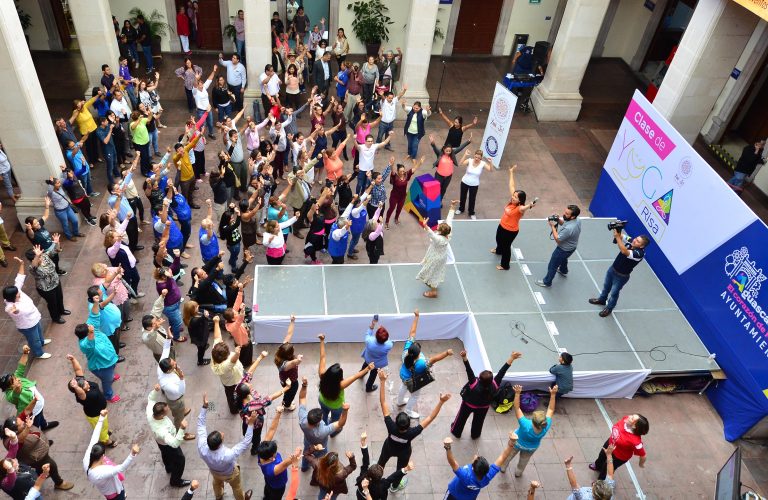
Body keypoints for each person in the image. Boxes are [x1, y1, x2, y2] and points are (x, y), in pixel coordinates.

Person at [377, 370, 448, 472]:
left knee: (380, 463)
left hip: (388, 448)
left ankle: (376, 475)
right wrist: (441, 402)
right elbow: (430, 418)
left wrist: (382, 381)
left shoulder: (390, 426)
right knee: (401, 471)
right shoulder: (412, 432)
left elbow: (383, 402)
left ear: (395, 422)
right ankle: (395, 485)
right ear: (409, 424)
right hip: (404, 452)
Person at [197, 392, 258, 500]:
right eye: (221, 435)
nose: (223, 433)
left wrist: (205, 407)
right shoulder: (228, 455)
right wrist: (251, 423)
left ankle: (219, 496)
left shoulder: (202, 448)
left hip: (214, 471)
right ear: (220, 443)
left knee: (216, 483)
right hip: (230, 474)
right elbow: (246, 442)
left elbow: (200, 424)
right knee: (237, 487)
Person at [451, 350, 521, 439]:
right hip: (483, 407)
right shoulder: (495, 385)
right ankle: (475, 435)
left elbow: (468, 369)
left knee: (461, 418)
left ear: (479, 378)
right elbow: (502, 372)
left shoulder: (474, 383)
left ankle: (456, 432)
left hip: (468, 405)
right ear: (491, 380)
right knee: (478, 422)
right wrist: (512, 358)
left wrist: (464, 357)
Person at [396, 309, 453, 418]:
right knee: (415, 396)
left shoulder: (406, 351)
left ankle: (400, 401)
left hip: (403, 375)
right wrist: (446, 353)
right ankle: (408, 410)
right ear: (418, 354)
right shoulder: (421, 364)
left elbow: (412, 333)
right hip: (412, 380)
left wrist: (416, 317)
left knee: (403, 386)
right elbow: (434, 359)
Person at [233, 353, 290, 455]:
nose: (250, 383)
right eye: (249, 386)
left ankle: (247, 439)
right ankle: (254, 448)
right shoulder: (253, 405)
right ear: (248, 394)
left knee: (246, 430)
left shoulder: (238, 388)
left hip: (246, 421)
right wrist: (285, 389)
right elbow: (270, 398)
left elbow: (249, 373)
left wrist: (260, 358)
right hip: (256, 423)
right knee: (256, 436)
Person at [318, 333, 373, 432]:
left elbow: (322, 357)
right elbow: (356, 376)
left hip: (322, 400)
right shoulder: (340, 385)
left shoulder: (322, 375)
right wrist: (368, 368)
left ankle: (323, 425)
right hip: (336, 406)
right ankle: (333, 432)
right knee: (336, 420)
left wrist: (322, 341)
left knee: (323, 415)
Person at [588, 229, 649, 317]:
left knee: (614, 293)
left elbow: (624, 251)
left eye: (638, 241)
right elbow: (622, 236)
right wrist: (618, 230)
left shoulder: (639, 254)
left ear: (642, 246)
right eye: (636, 238)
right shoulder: (632, 241)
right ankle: (602, 299)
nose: (635, 240)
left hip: (621, 277)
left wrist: (617, 237)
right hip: (612, 269)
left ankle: (609, 308)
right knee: (606, 287)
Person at [501, 384, 559, 476]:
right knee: (524, 460)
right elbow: (551, 409)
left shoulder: (525, 424)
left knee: (509, 455)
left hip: (517, 443)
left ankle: (503, 467)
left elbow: (517, 408)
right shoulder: (546, 426)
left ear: (533, 421)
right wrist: (553, 395)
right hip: (531, 448)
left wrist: (517, 393)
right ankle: (518, 472)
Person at [442, 432, 518, 500]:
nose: (475, 456)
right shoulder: (487, 476)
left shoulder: (466, 476)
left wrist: (447, 447)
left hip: (453, 494)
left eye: (476, 459)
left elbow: (452, 463)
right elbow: (502, 457)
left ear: (473, 467)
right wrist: (511, 443)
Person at [83, 410, 140, 498]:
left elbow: (95, 435)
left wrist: (101, 418)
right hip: (115, 494)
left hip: (110, 490)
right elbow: (121, 468)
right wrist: (132, 454)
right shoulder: (101, 472)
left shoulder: (87, 457)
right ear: (102, 456)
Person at [298, 376, 350, 471]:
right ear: (318, 422)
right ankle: (318, 470)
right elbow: (340, 424)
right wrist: (345, 411)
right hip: (321, 447)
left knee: (306, 453)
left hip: (308, 441)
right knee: (321, 459)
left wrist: (304, 385)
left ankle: (304, 467)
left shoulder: (303, 419)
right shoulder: (323, 431)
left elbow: (302, 397)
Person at [0, 345, 57, 430]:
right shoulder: (9, 395)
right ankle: (40, 437)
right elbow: (15, 395)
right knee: (35, 426)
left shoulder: (17, 378)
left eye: (14, 377)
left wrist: (25, 353)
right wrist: (17, 388)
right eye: (13, 380)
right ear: (9, 387)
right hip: (32, 411)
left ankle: (44, 425)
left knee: (41, 414)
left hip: (38, 404)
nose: (17, 379)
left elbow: (21, 366)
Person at [3, 258, 51, 359]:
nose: (19, 294)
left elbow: (19, 278)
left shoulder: (17, 291)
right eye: (17, 294)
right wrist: (16, 311)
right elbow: (13, 311)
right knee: (34, 340)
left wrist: (21, 264)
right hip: (27, 325)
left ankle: (42, 342)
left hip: (35, 318)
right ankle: (39, 353)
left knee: (39, 332)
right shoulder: (10, 307)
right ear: (12, 297)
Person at [146, 385, 191, 488]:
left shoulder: (150, 412)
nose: (169, 409)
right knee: (180, 460)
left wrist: (155, 391)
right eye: (167, 410)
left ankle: (169, 467)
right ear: (161, 415)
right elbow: (175, 443)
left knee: (165, 453)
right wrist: (182, 429)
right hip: (167, 442)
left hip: (160, 442)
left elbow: (150, 399)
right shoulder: (162, 430)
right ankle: (175, 481)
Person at [492, 165, 536, 271]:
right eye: (514, 195)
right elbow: (512, 185)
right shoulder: (512, 201)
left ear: (520, 200)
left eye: (515, 197)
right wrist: (511, 172)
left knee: (506, 247)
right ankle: (498, 250)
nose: (513, 197)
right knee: (498, 239)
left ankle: (505, 265)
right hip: (502, 225)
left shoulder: (520, 208)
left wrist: (530, 205)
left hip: (510, 231)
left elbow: (525, 207)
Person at [66, 354, 114, 448]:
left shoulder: (82, 383)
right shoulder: (82, 396)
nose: (86, 382)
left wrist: (73, 359)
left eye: (85, 381)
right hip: (96, 415)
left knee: (104, 425)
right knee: (101, 428)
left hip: (101, 410)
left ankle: (105, 431)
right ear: (79, 390)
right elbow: (80, 393)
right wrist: (76, 387)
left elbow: (78, 370)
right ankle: (106, 441)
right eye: (84, 384)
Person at [256, 408, 302, 499]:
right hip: (277, 486)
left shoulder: (262, 451)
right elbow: (286, 464)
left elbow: (272, 429)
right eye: (275, 453)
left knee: (268, 488)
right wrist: (297, 454)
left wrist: (278, 413)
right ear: (270, 457)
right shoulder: (272, 469)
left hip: (269, 481)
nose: (276, 453)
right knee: (275, 496)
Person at [416, 200, 458, 298]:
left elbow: (431, 234)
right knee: (434, 272)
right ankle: (432, 283)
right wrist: (452, 206)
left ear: (440, 230)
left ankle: (433, 291)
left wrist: (425, 225)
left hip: (436, 258)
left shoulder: (439, 239)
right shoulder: (448, 234)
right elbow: (449, 220)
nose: (437, 226)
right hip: (438, 256)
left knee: (432, 274)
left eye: (438, 226)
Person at [534, 204, 582, 288]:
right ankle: (564, 270)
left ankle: (547, 282)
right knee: (563, 259)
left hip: (563, 249)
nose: (564, 214)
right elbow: (565, 223)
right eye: (565, 212)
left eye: (567, 214)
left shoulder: (569, 229)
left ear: (573, 216)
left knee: (553, 265)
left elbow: (557, 239)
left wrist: (552, 226)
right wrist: (558, 220)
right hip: (571, 247)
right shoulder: (577, 220)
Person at [589, 414, 649, 480]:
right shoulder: (625, 419)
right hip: (610, 444)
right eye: (632, 415)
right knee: (601, 456)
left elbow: (643, 455)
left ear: (634, 426)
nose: (629, 416)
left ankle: (600, 483)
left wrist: (641, 464)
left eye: (632, 418)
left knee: (607, 469)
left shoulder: (636, 442)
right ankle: (598, 466)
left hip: (619, 457)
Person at [157, 338, 196, 439]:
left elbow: (165, 350)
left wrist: (168, 338)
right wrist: (182, 377)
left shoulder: (162, 364)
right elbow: (181, 391)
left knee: (178, 411)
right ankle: (181, 433)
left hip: (171, 398)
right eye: (173, 364)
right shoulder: (166, 383)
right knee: (179, 419)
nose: (175, 363)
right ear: (169, 369)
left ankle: (179, 412)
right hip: (176, 400)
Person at [75, 321, 122, 403]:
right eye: (89, 329)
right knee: (107, 381)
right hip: (101, 367)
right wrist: (91, 332)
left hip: (109, 362)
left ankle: (111, 376)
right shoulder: (85, 344)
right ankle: (108, 395)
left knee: (110, 372)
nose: (92, 327)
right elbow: (89, 343)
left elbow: (94, 317)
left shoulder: (93, 334)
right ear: (87, 334)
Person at [25, 245, 68, 325]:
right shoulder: (32, 267)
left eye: (40, 255)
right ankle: (56, 317)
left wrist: (57, 243)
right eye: (38, 256)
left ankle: (62, 310)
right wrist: (37, 256)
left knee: (59, 297)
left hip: (56, 281)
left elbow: (56, 250)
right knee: (53, 303)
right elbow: (34, 266)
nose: (41, 257)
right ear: (33, 259)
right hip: (46, 288)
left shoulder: (44, 256)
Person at [210, 315, 244, 414]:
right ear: (225, 356)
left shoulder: (216, 351)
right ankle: (234, 409)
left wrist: (216, 322)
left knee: (234, 394)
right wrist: (237, 353)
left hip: (234, 378)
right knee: (232, 396)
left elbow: (217, 337)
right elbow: (232, 361)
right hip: (232, 383)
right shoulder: (224, 366)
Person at [429, 134, 472, 200]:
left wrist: (468, 141)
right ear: (443, 149)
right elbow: (434, 147)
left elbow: (460, 148)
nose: (448, 152)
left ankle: (439, 201)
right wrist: (433, 142)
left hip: (448, 177)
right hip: (439, 176)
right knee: (436, 189)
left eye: (449, 151)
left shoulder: (452, 154)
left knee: (443, 190)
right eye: (447, 151)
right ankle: (433, 201)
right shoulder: (439, 153)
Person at [359, 315, 394, 392]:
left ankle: (361, 374)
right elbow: (387, 340)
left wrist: (373, 324)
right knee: (373, 375)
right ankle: (368, 388)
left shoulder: (369, 341)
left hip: (368, 359)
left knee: (365, 365)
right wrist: (382, 332)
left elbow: (368, 333)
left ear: (375, 335)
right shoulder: (389, 345)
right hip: (377, 364)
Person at [456, 150, 492, 219]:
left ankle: (471, 212)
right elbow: (460, 163)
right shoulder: (469, 160)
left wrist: (490, 162)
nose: (476, 159)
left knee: (472, 199)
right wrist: (465, 155)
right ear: (474, 156)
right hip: (464, 182)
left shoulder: (483, 163)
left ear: (481, 158)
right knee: (462, 196)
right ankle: (461, 209)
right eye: (475, 157)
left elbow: (490, 169)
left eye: (478, 158)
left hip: (474, 184)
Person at [142, 292, 177, 363]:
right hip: (162, 354)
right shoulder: (146, 337)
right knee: (169, 367)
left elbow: (156, 309)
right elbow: (150, 337)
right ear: (149, 328)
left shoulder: (152, 321)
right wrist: (155, 329)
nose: (158, 322)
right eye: (155, 323)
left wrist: (162, 296)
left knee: (174, 360)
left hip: (168, 346)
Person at [46, 176, 83, 241]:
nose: (59, 184)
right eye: (57, 183)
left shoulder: (60, 188)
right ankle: (69, 236)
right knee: (65, 225)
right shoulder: (51, 193)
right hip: (60, 212)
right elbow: (49, 189)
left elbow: (63, 179)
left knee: (75, 221)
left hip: (68, 208)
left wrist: (64, 171)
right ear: (53, 185)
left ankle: (76, 233)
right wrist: (51, 182)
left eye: (59, 183)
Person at [183, 300, 211, 366]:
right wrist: (205, 316)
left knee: (201, 347)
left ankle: (203, 347)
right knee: (201, 351)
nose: (198, 306)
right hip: (200, 339)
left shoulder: (191, 317)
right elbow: (203, 319)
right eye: (196, 307)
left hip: (198, 337)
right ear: (192, 311)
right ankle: (200, 361)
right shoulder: (195, 320)